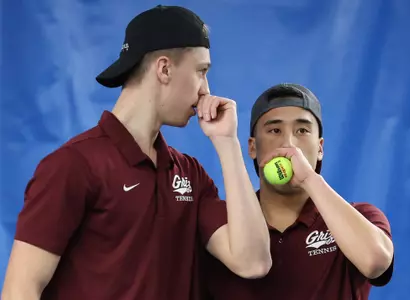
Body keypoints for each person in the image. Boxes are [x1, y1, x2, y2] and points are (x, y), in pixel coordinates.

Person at [1, 5, 272, 300]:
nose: (205, 90)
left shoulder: (190, 175)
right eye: (201, 71)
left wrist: (228, 143)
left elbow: (253, 262)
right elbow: (21, 289)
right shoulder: (73, 166)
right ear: (164, 69)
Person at [201, 83, 394, 300]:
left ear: (320, 148)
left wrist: (309, 179)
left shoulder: (361, 217)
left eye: (302, 131)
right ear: (252, 147)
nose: (289, 143)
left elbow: (376, 262)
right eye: (275, 130)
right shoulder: (223, 226)